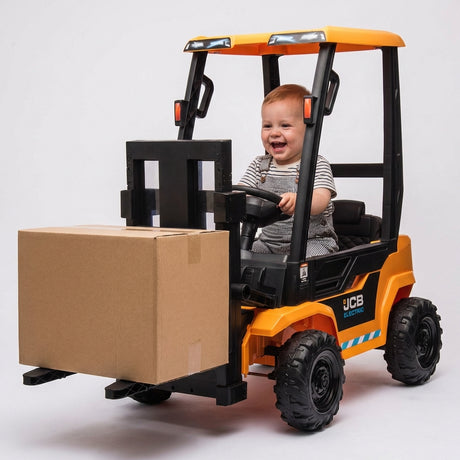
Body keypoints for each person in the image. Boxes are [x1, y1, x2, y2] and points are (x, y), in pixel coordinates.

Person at [239, 84, 339, 257]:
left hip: (312, 242)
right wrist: (231, 197)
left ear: (308, 130)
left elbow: (321, 199)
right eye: (267, 126)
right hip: (268, 243)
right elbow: (241, 192)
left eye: (285, 125)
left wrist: (299, 200)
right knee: (239, 256)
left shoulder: (316, 164)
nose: (274, 133)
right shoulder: (259, 165)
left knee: (306, 262)